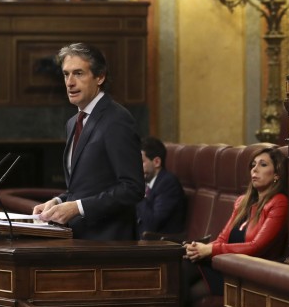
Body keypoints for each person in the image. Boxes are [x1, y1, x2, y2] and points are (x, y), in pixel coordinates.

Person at [33, 43, 144, 240]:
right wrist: (59, 201)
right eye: (66, 74)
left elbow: (132, 189)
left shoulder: (116, 119)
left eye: (78, 73)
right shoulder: (73, 122)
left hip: (109, 243)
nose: (70, 82)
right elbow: (86, 187)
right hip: (79, 239)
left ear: (99, 77)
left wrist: (77, 208)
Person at [182, 147, 288, 307]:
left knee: (186, 287)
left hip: (248, 272)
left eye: (263, 165)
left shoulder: (279, 202)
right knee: (182, 265)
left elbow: (256, 246)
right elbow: (223, 239)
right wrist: (200, 249)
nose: (255, 169)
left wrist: (210, 249)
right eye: (253, 165)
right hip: (227, 265)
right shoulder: (242, 202)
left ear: (277, 174)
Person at [136, 136, 187, 239]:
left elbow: (152, 224)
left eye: (141, 162)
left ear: (156, 162)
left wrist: (137, 192)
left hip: (161, 243)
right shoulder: (148, 182)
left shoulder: (168, 183)